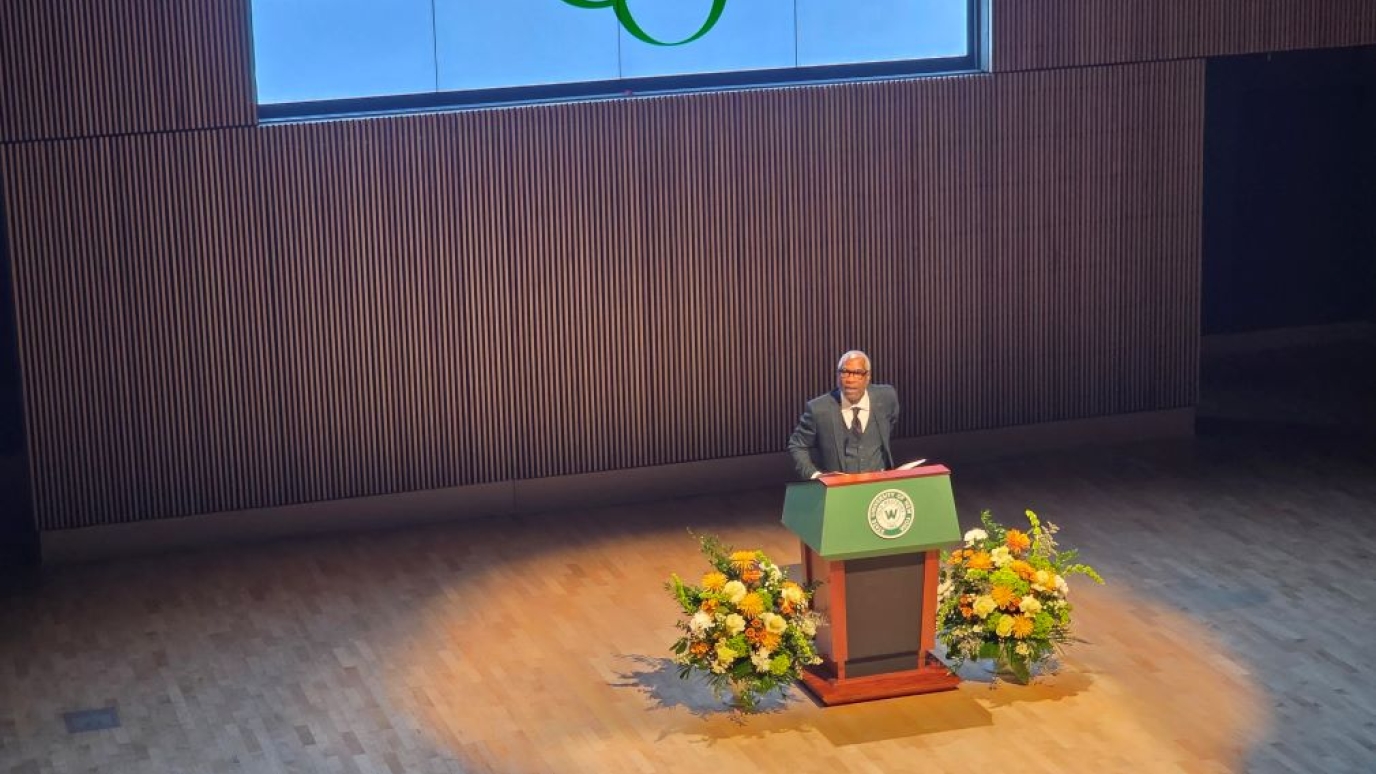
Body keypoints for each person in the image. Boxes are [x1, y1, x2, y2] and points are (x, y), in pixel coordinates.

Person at [787, 350, 899, 479]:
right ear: (837, 376)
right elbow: (797, 445)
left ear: (868, 377)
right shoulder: (819, 409)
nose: (850, 379)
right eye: (844, 372)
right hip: (839, 489)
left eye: (857, 373)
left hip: (878, 486)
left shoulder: (886, 397)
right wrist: (815, 475)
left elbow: (891, 421)